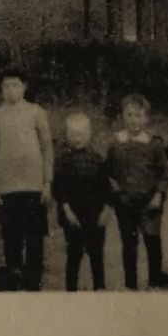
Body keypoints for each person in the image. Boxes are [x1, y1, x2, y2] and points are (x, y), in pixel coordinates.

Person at [0, 65, 53, 291]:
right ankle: (13, 278)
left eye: (15, 85)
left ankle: (33, 281)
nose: (10, 90)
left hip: (33, 186)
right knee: (11, 237)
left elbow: (46, 149)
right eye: (6, 86)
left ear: (24, 87)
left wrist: (47, 182)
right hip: (7, 188)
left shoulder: (36, 112)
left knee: (34, 238)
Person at [105, 93, 168, 290]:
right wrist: (114, 190)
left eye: (138, 116)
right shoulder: (116, 143)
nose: (134, 121)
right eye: (130, 115)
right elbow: (108, 172)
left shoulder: (153, 143)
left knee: (152, 240)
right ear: (122, 117)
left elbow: (165, 173)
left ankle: (155, 278)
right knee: (129, 243)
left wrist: (159, 195)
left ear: (146, 118)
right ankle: (131, 283)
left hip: (150, 202)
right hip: (125, 202)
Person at [51, 112, 110, 292]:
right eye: (73, 134)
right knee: (74, 253)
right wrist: (66, 210)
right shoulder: (62, 161)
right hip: (72, 215)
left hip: (94, 214)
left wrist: (105, 211)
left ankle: (99, 288)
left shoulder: (97, 160)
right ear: (67, 135)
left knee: (96, 253)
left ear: (89, 134)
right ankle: (71, 291)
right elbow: (59, 190)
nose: (77, 139)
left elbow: (106, 188)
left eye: (81, 134)